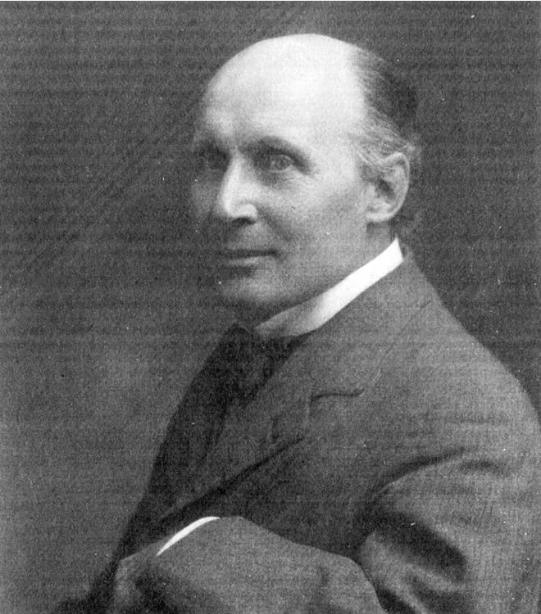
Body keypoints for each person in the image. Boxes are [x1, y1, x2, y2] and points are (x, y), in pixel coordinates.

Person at [56, 34, 541, 614]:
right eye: (212, 160)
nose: (226, 204)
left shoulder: (470, 419)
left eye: (276, 162)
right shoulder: (255, 344)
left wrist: (190, 553)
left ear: (383, 191)